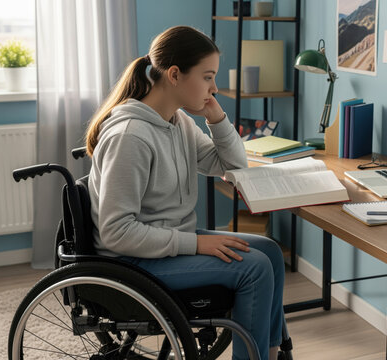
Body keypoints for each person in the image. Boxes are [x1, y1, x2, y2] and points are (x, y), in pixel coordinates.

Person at [85, 25, 286, 360]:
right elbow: (116, 232)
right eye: (207, 77)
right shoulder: (131, 136)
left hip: (167, 243)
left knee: (271, 252)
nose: (214, 87)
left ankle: (269, 353)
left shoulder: (178, 122)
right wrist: (196, 243)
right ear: (175, 75)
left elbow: (233, 167)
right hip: (130, 261)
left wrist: (217, 117)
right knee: (255, 268)